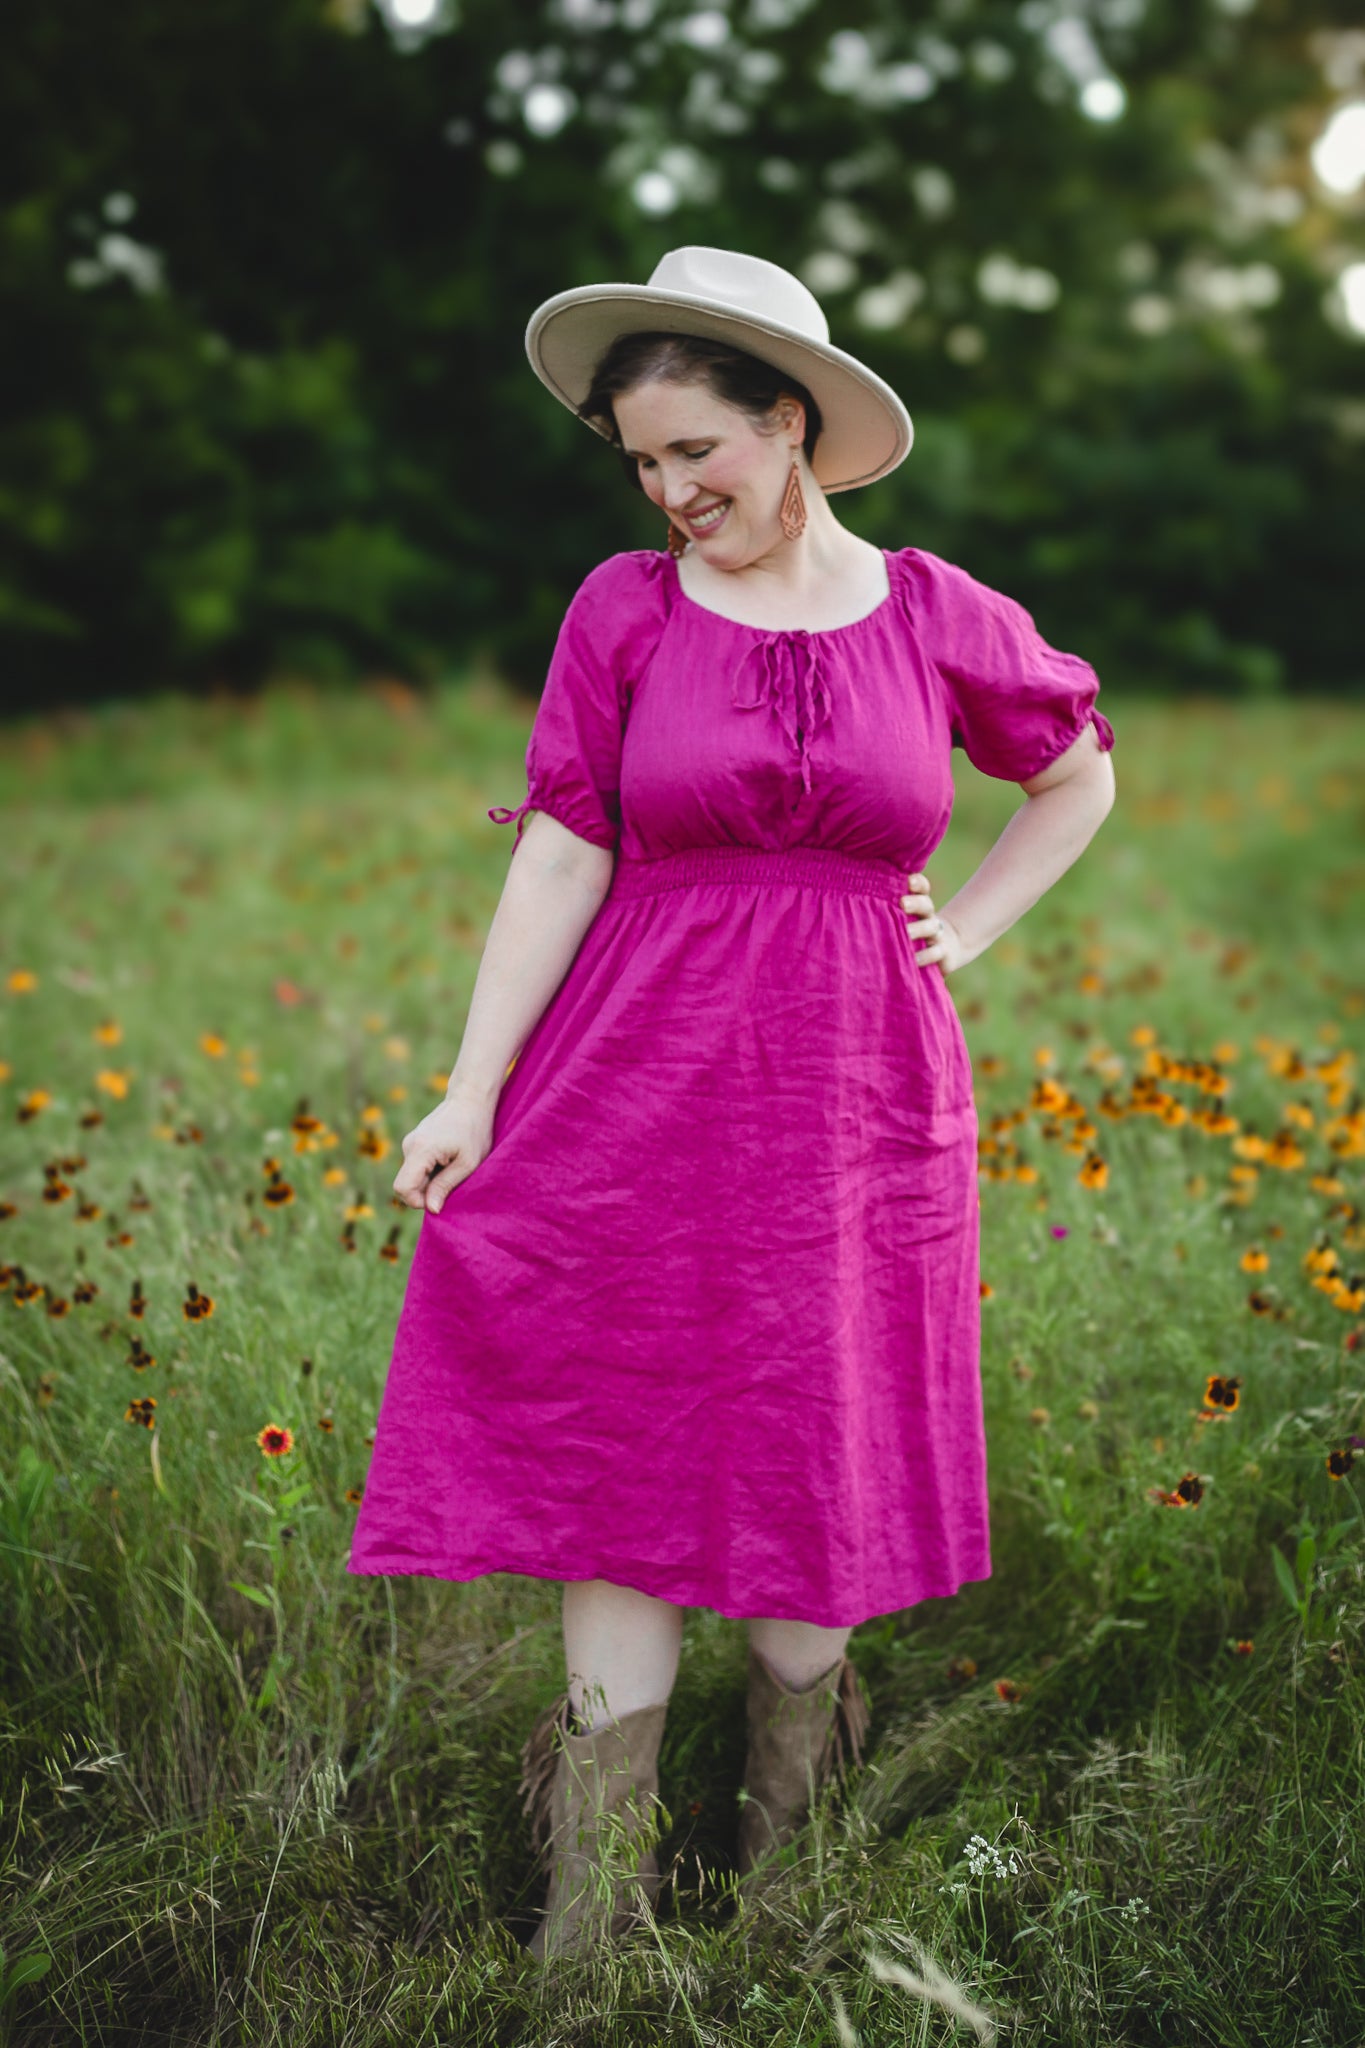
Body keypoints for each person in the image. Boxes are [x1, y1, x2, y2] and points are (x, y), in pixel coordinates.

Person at [347, 246, 1116, 1962]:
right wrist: (470, 1092)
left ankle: (786, 1907)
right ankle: (583, 1934)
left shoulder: (934, 613)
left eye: (696, 449)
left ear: (792, 423)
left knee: (809, 1457)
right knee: (616, 1444)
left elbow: (1072, 771)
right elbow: (562, 843)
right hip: (627, 1085)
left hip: (855, 1102)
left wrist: (965, 929)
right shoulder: (621, 608)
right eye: (640, 462)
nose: (670, 490)